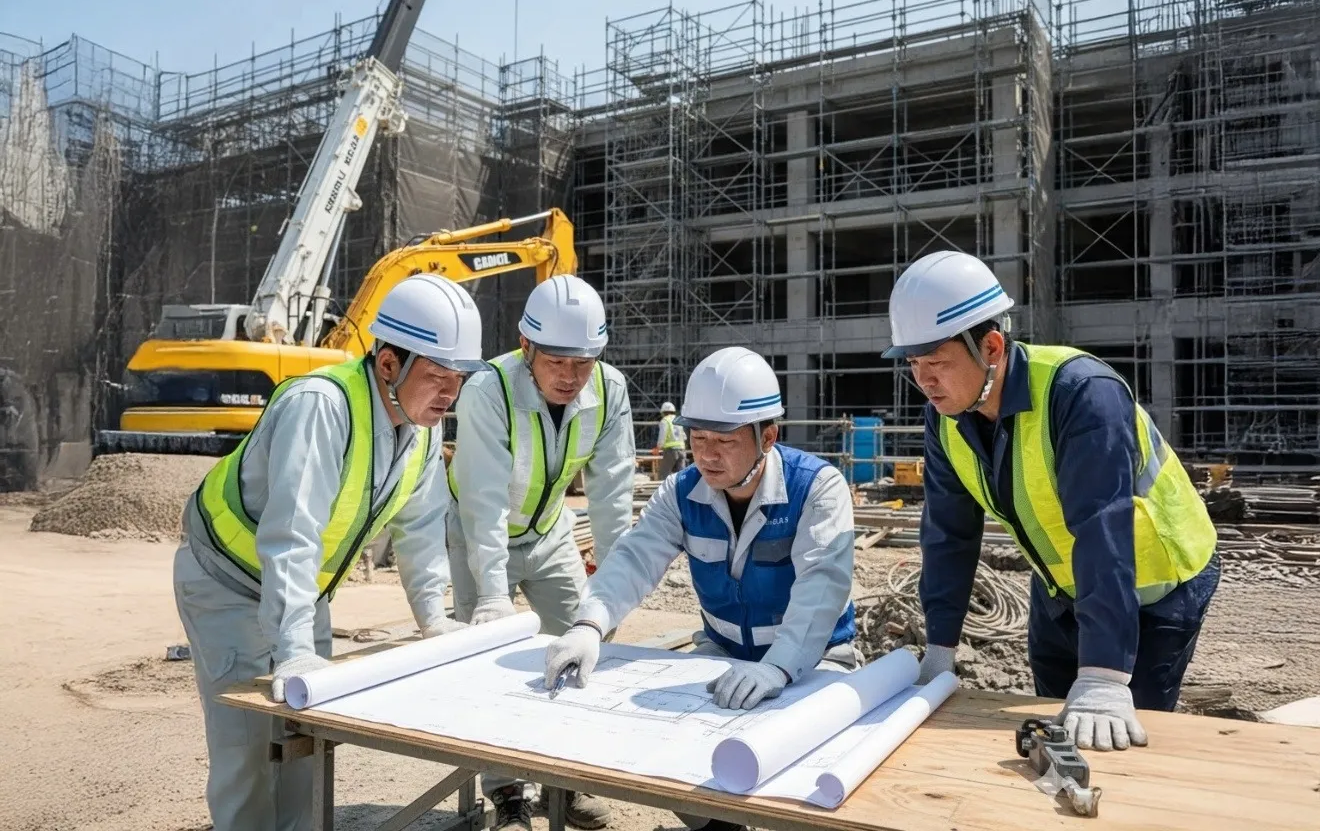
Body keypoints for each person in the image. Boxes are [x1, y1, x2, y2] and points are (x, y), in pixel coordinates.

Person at [173, 274, 488, 831]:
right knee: (247, 747)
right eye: (438, 377)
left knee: (304, 740)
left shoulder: (421, 427)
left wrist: (434, 621)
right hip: (226, 581)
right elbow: (291, 534)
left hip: (302, 591)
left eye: (458, 380)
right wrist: (293, 648)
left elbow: (419, 528)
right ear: (388, 363)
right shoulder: (320, 405)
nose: (450, 395)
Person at [883, 250, 1220, 752]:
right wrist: (940, 646)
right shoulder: (947, 416)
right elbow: (948, 535)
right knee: (1053, 726)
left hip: (1154, 585)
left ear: (991, 347)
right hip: (1059, 583)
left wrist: (1105, 675)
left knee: (1119, 735)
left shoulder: (1081, 392)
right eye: (914, 364)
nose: (924, 381)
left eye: (936, 363)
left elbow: (1101, 528)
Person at [543, 346, 858, 831]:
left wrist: (779, 667)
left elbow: (821, 587)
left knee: (806, 787)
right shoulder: (681, 491)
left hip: (816, 663)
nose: (706, 453)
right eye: (698, 437)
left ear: (767, 436)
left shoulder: (817, 488)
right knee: (681, 761)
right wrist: (590, 624)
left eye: (725, 440)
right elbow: (635, 557)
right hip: (721, 656)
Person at [445, 274, 635, 831]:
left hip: (550, 532)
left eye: (583, 363)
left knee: (587, 639)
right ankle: (507, 791)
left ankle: (564, 783)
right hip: (478, 537)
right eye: (557, 362)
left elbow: (612, 494)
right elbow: (481, 503)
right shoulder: (488, 390)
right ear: (526, 347)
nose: (571, 378)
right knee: (486, 657)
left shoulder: (610, 390)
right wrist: (490, 598)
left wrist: (612, 595)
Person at [651, 400, 687, 478]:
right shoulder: (678, 420)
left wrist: (658, 447)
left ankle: (663, 490)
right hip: (681, 449)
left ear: (663, 412)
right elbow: (684, 437)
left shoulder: (665, 421)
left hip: (670, 451)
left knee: (664, 474)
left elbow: (662, 436)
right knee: (681, 474)